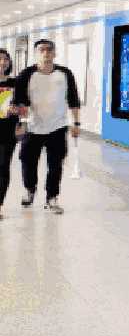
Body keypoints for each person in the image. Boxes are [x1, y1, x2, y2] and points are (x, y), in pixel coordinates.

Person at [13, 39, 81, 213]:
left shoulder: (65, 73)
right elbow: (20, 101)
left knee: (55, 165)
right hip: (32, 127)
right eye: (41, 50)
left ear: (54, 53)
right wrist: (22, 123)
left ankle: (52, 198)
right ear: (36, 53)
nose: (46, 53)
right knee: (27, 161)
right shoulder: (26, 74)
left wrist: (76, 123)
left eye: (49, 49)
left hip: (57, 127)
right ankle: (30, 189)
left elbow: (73, 99)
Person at [0, 49, 17, 219]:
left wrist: (16, 109)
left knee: (3, 167)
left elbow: (24, 106)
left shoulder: (14, 83)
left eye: (5, 59)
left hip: (8, 132)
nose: (2, 62)